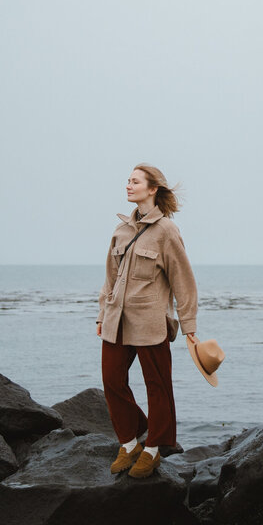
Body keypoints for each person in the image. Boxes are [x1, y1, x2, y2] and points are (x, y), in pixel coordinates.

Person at [96, 163, 200, 478]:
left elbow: (184, 281)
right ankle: (129, 442)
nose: (128, 185)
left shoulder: (167, 231)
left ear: (153, 189)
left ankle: (154, 447)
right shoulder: (120, 230)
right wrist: (102, 314)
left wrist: (189, 328)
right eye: (127, 180)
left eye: (135, 181)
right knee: (112, 381)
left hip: (151, 321)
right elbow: (109, 279)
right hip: (116, 320)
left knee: (158, 386)